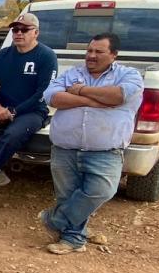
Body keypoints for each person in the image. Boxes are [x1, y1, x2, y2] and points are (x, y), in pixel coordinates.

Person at [40, 33, 143, 255]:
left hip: (105, 150)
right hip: (65, 147)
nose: (91, 56)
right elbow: (52, 97)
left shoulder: (129, 75)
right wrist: (94, 100)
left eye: (99, 52)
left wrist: (80, 91)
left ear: (113, 55)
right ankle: (74, 240)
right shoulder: (73, 73)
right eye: (89, 51)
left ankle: (54, 219)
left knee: (102, 190)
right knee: (68, 196)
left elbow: (118, 96)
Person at [0, 13, 57, 199]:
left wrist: (14, 111)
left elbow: (43, 92)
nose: (18, 33)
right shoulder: (3, 55)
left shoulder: (46, 56)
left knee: (11, 135)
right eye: (15, 29)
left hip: (31, 111)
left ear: (36, 33)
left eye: (24, 30)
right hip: (1, 106)